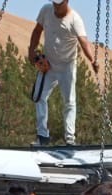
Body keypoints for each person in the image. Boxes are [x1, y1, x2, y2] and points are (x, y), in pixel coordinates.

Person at [30, 2, 99, 147]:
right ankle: (42, 136)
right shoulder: (46, 10)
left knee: (69, 101)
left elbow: (84, 42)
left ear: (66, 2)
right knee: (38, 96)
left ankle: (70, 138)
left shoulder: (75, 20)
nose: (56, 7)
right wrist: (32, 51)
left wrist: (92, 60)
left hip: (67, 66)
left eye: (59, 4)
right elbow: (37, 31)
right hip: (49, 64)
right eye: (54, 4)